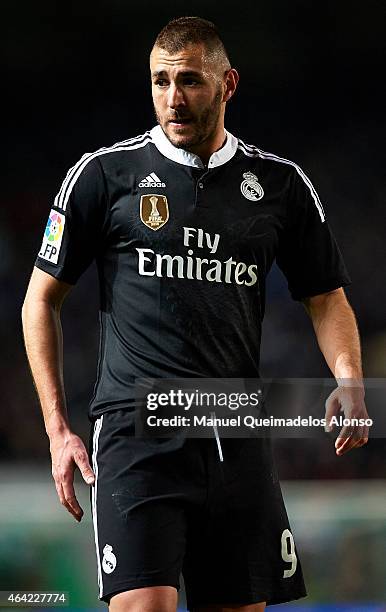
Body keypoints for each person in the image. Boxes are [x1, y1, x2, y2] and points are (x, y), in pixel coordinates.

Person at [22, 16, 369, 612]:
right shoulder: (105, 175)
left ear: (228, 83)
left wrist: (350, 382)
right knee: (143, 605)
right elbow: (41, 300)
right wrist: (57, 431)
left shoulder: (279, 184)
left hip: (235, 424)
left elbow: (326, 296)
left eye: (189, 81)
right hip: (136, 428)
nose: (172, 99)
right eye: (159, 81)